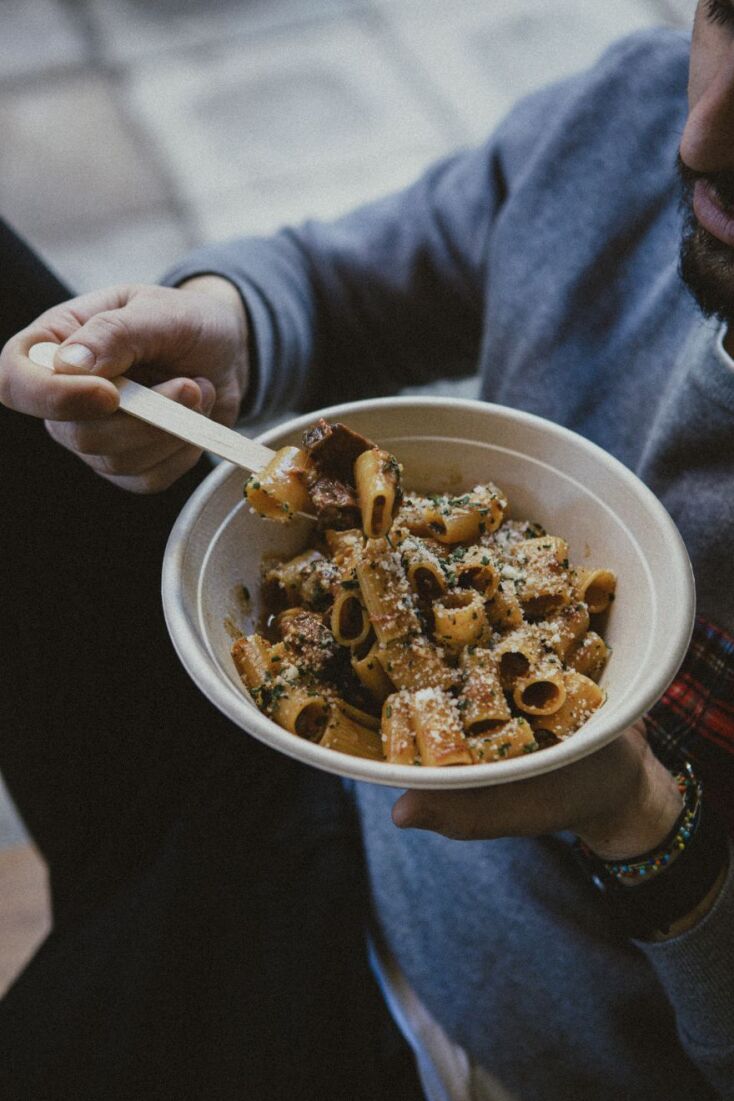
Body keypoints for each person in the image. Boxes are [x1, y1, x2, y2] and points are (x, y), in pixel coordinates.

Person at [1, 5, 733, 1099]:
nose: (700, 138)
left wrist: (635, 815)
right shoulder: (635, 113)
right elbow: (353, 281)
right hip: (318, 800)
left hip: (493, 1042)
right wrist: (226, 327)